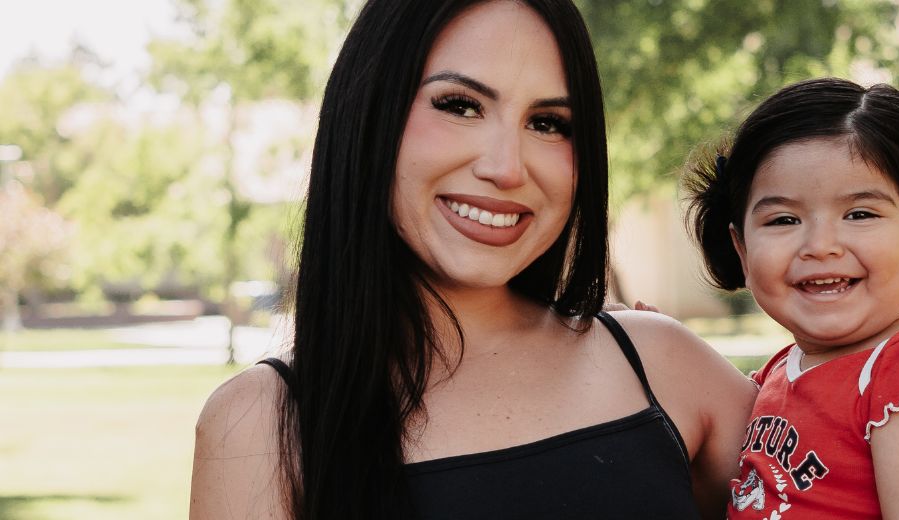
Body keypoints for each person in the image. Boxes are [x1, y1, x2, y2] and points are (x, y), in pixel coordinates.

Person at [189, 1, 756, 518]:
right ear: (368, 114)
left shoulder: (665, 365)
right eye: (459, 105)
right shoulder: (259, 425)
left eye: (548, 123)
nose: (507, 167)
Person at [684, 77, 899, 519]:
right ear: (743, 253)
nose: (820, 245)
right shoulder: (781, 369)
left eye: (860, 214)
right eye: (784, 219)